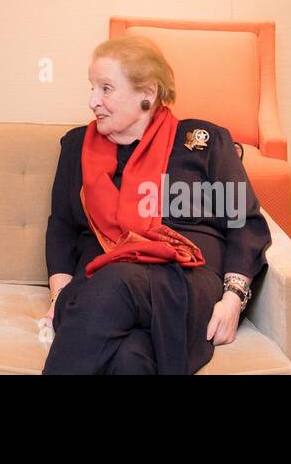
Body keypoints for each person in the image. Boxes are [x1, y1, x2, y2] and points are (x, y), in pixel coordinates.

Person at [42, 35, 272, 374]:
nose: (93, 101)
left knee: (117, 284)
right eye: (92, 88)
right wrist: (58, 296)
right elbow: (61, 227)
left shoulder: (204, 143)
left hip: (184, 279)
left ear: (147, 93)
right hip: (96, 284)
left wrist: (232, 300)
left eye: (106, 89)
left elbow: (243, 222)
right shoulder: (77, 147)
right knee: (131, 358)